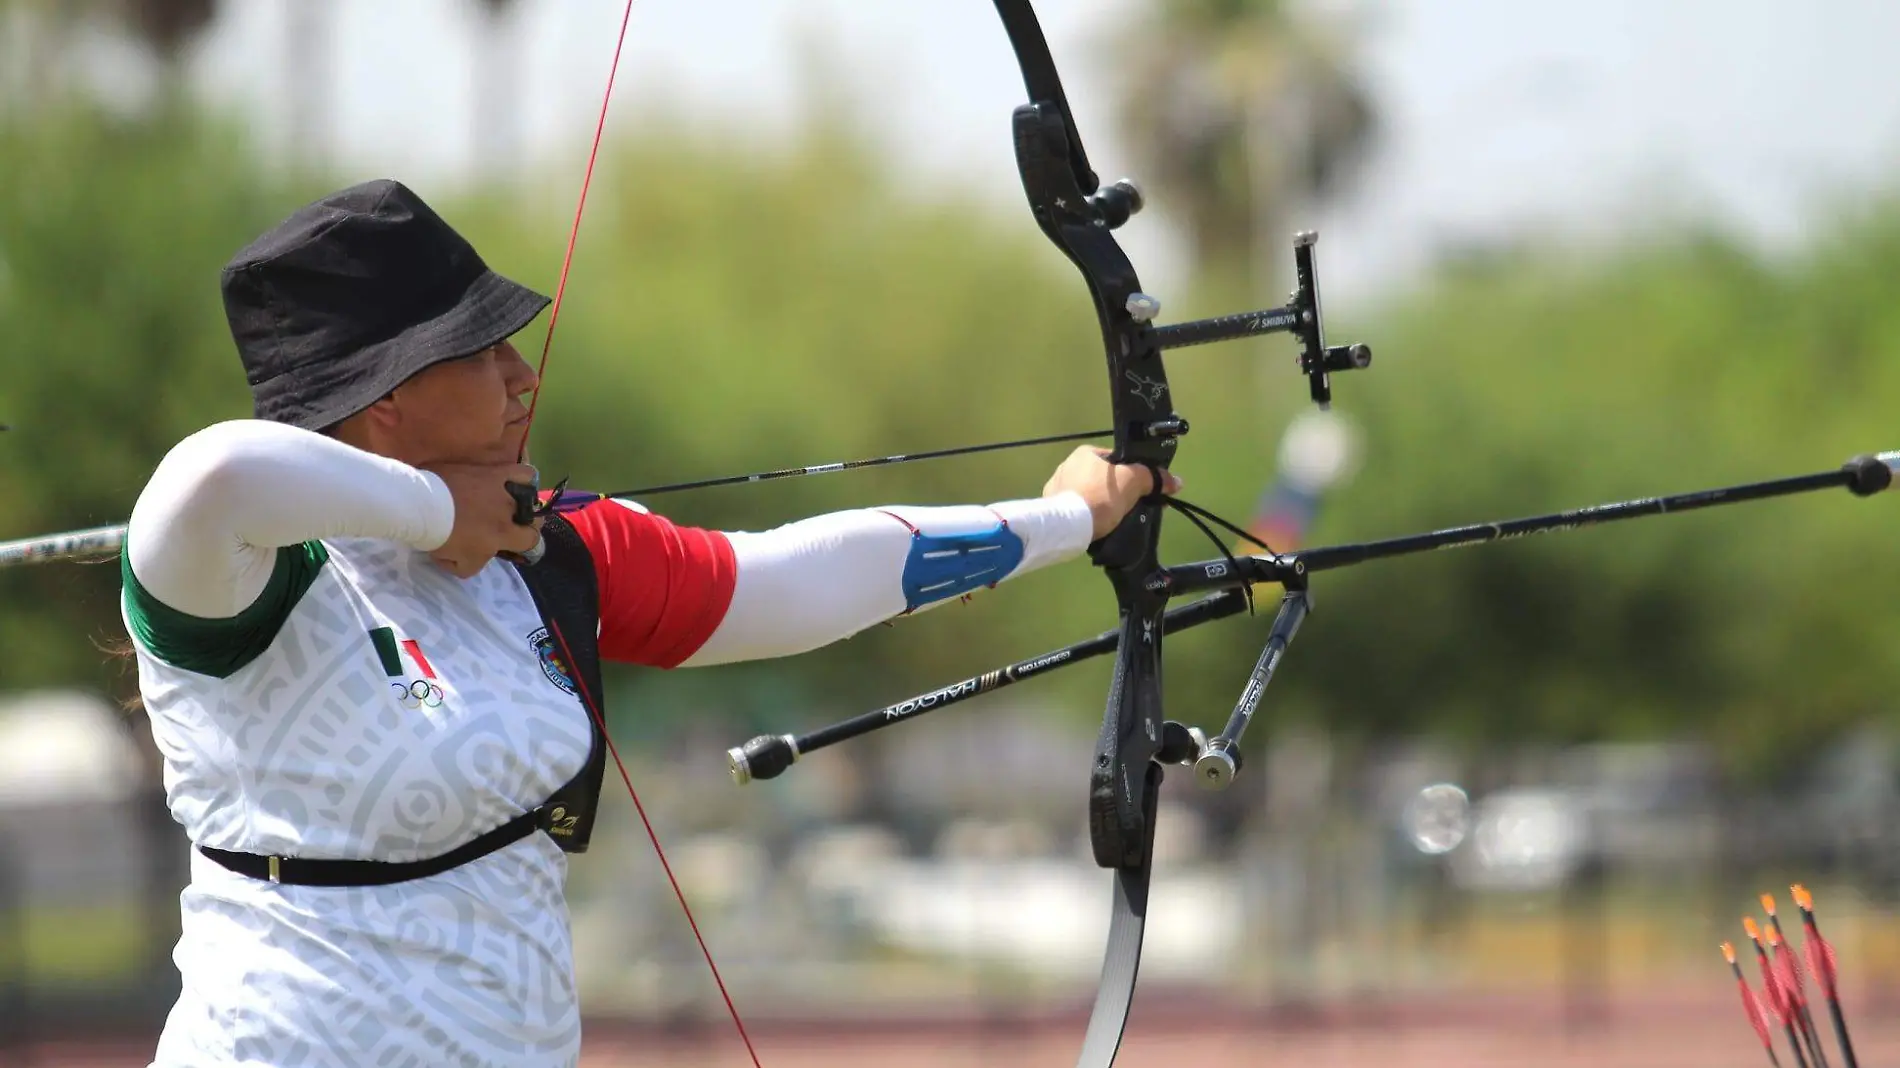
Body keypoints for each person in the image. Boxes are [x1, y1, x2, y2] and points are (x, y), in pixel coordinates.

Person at [119, 178, 1175, 1068]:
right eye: (483, 355)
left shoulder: (544, 554)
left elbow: (797, 582)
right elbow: (213, 473)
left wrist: (1065, 518)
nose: (523, 379)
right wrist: (441, 511)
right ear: (383, 400)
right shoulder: (238, 578)